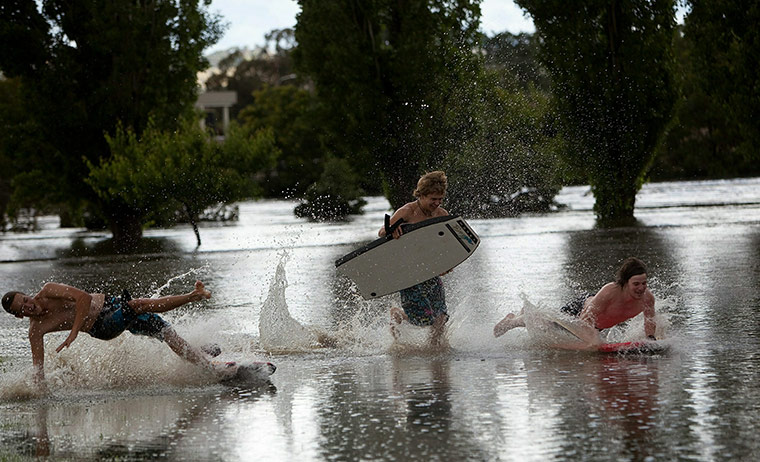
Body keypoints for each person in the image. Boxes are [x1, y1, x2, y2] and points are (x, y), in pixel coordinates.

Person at [2, 280, 232, 384]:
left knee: (166, 333)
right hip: (103, 326)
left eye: (25, 299)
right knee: (138, 304)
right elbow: (38, 369)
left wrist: (72, 333)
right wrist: (36, 387)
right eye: (21, 308)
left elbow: (82, 297)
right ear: (19, 315)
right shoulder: (36, 330)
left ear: (27, 294)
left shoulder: (49, 291)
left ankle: (197, 356)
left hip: (111, 304)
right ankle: (193, 298)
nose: (27, 305)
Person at [493, 257, 657, 341]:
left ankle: (524, 315)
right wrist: (591, 341)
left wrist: (650, 340)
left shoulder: (647, 298)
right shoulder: (610, 291)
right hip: (579, 312)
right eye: (636, 284)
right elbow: (585, 317)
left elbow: (649, 320)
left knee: (546, 322)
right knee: (545, 323)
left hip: (595, 326)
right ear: (625, 283)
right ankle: (512, 321)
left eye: (644, 283)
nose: (641, 288)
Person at [379, 170, 450, 347]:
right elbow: (381, 232)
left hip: (430, 269)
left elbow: (450, 244)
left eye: (440, 199)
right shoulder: (407, 211)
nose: (437, 203)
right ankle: (399, 314)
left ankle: (435, 349)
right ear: (421, 195)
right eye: (433, 199)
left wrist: (448, 264)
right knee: (424, 319)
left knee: (441, 316)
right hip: (408, 272)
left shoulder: (442, 214)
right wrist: (392, 230)